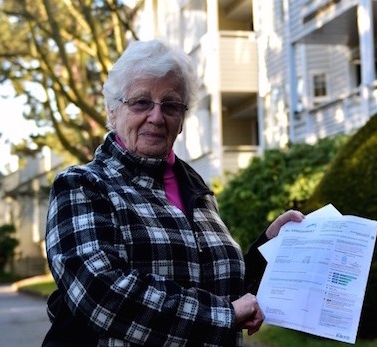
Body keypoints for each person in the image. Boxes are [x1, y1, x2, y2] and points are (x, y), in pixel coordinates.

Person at [42, 39, 304, 346]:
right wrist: (223, 316)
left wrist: (268, 249)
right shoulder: (82, 186)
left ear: (181, 120)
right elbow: (103, 293)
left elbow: (218, 287)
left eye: (170, 105)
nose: (156, 116)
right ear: (113, 112)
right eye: (141, 102)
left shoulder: (197, 190)